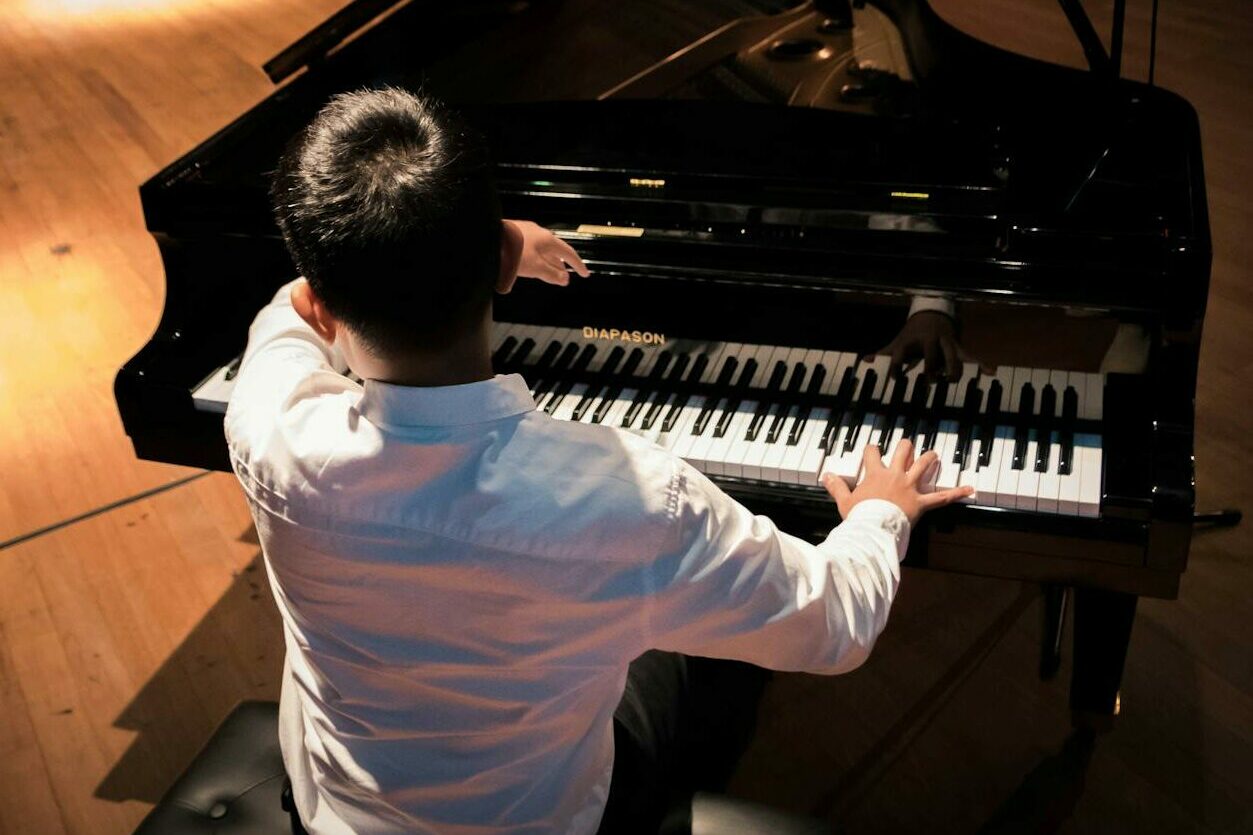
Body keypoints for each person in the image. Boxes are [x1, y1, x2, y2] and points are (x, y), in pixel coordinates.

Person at [226, 86, 973, 835]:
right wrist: (881, 513)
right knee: (700, 650)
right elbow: (837, 624)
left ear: (324, 307)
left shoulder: (268, 426)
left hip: (336, 813)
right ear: (500, 265)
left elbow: (285, 316)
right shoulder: (636, 499)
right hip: (550, 824)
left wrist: (450, 250)